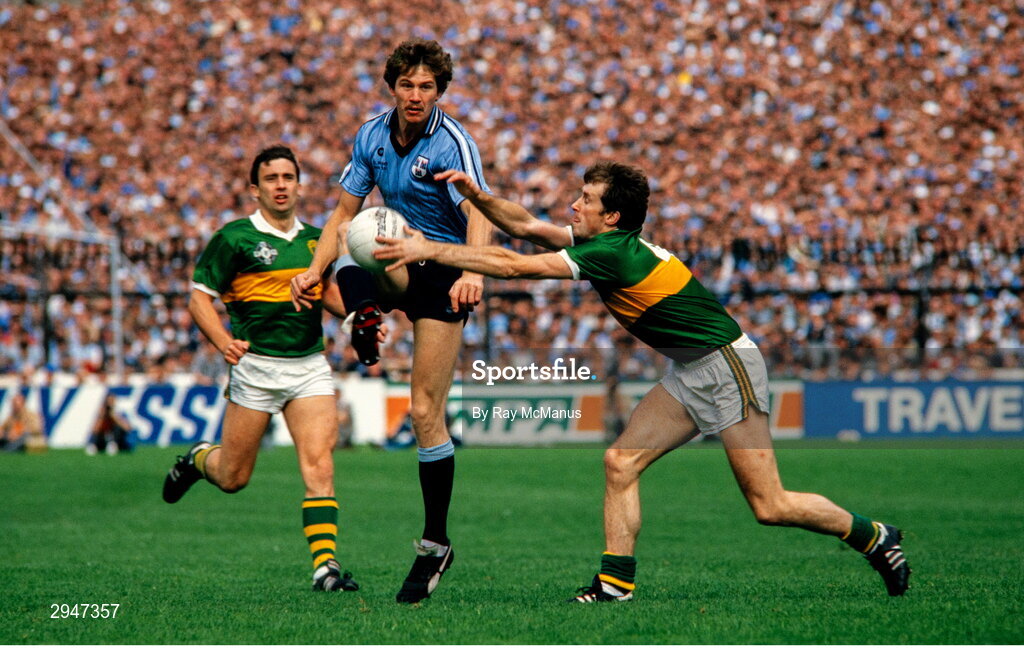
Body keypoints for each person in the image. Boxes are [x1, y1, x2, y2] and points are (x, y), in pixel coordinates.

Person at [374, 162, 912, 601]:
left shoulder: (608, 253)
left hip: (727, 367)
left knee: (770, 505)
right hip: (693, 369)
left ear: (611, 217)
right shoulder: (609, 241)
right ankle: (615, 585)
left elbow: (514, 266)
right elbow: (527, 227)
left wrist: (431, 249)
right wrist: (479, 197)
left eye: (586, 199)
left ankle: (873, 535)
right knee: (621, 462)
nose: (574, 205)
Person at [290, 38, 492, 603]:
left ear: (439, 92)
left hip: (445, 268)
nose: (416, 95)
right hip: (399, 258)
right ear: (393, 87)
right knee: (357, 232)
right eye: (407, 84)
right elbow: (342, 211)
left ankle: (435, 544)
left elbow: (479, 212)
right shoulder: (371, 135)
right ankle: (364, 314)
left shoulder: (453, 142)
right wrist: (313, 271)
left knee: (424, 411)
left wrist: (473, 271)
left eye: (427, 86)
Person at [162, 145, 362, 593]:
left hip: (309, 365)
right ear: (255, 189)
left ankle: (325, 568)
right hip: (256, 368)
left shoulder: (317, 240)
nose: (280, 186)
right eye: (271, 179)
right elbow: (199, 299)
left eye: (288, 177)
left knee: (320, 467)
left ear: (299, 185)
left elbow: (327, 293)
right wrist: (223, 342)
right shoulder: (234, 238)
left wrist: (357, 318)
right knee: (233, 477)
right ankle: (198, 459)